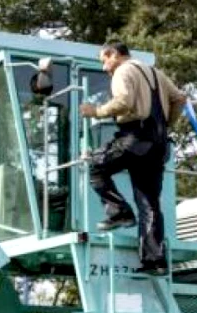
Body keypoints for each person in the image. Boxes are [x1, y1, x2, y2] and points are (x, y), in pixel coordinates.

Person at [79, 42, 187, 276]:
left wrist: (95, 111)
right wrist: (167, 124)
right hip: (158, 143)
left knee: (95, 166)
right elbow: (179, 99)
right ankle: (154, 261)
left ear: (113, 55)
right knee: (149, 203)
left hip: (135, 137)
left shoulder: (123, 70)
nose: (105, 68)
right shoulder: (155, 73)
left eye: (104, 61)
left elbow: (124, 101)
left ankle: (119, 212)